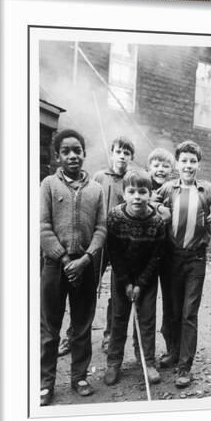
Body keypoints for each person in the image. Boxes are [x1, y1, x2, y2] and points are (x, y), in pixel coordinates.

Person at [40, 129, 106, 405]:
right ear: (57, 156)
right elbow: (42, 227)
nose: (72, 156)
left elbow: (102, 228)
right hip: (56, 268)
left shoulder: (96, 189)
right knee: (49, 327)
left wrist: (86, 259)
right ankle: (46, 382)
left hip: (86, 268)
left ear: (84, 154)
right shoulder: (48, 185)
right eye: (66, 151)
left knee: (81, 326)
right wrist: (65, 259)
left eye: (77, 150)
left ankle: (79, 377)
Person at [154, 140, 211, 389]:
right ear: (177, 163)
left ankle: (185, 366)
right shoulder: (168, 188)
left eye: (193, 161)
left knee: (189, 313)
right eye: (184, 160)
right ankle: (173, 352)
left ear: (198, 164)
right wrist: (160, 209)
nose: (188, 165)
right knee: (172, 310)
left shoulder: (206, 189)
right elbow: (151, 201)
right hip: (171, 257)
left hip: (196, 258)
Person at [58, 136, 135, 356]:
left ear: (131, 158)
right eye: (118, 151)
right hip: (98, 240)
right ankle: (73, 335)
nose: (122, 156)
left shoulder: (131, 179)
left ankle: (110, 336)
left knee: (117, 290)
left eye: (127, 153)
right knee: (85, 287)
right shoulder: (100, 176)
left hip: (121, 243)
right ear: (112, 153)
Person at [104, 169, 166, 385]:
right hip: (122, 276)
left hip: (146, 278)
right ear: (124, 193)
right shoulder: (114, 217)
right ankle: (114, 363)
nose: (137, 196)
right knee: (118, 318)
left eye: (142, 191)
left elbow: (156, 257)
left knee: (147, 320)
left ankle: (147, 361)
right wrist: (126, 282)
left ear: (150, 194)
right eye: (132, 191)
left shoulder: (157, 222)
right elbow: (114, 254)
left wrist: (140, 284)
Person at [145, 148, 177, 361]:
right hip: (145, 254)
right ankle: (113, 337)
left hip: (167, 253)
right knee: (142, 301)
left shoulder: (174, 189)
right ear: (149, 167)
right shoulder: (141, 187)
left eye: (165, 166)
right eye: (156, 165)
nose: (160, 169)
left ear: (172, 170)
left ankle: (172, 347)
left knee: (170, 301)